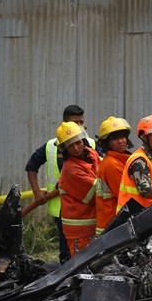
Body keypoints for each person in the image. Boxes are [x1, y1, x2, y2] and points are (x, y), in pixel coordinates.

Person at [25, 104, 94, 262]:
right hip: (62, 208)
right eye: (74, 123)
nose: (78, 127)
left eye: (80, 123)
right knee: (66, 251)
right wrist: (37, 192)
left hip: (87, 209)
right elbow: (31, 166)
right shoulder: (51, 146)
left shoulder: (90, 146)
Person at [54, 121, 100, 259]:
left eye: (78, 142)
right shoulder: (71, 169)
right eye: (70, 145)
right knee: (85, 270)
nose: (76, 148)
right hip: (80, 234)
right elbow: (98, 193)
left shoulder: (91, 154)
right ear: (65, 149)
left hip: (93, 227)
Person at [94, 116, 132, 235]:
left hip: (113, 222)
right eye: (115, 138)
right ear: (107, 143)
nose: (121, 141)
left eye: (122, 136)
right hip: (112, 225)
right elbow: (126, 196)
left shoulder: (121, 160)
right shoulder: (112, 164)